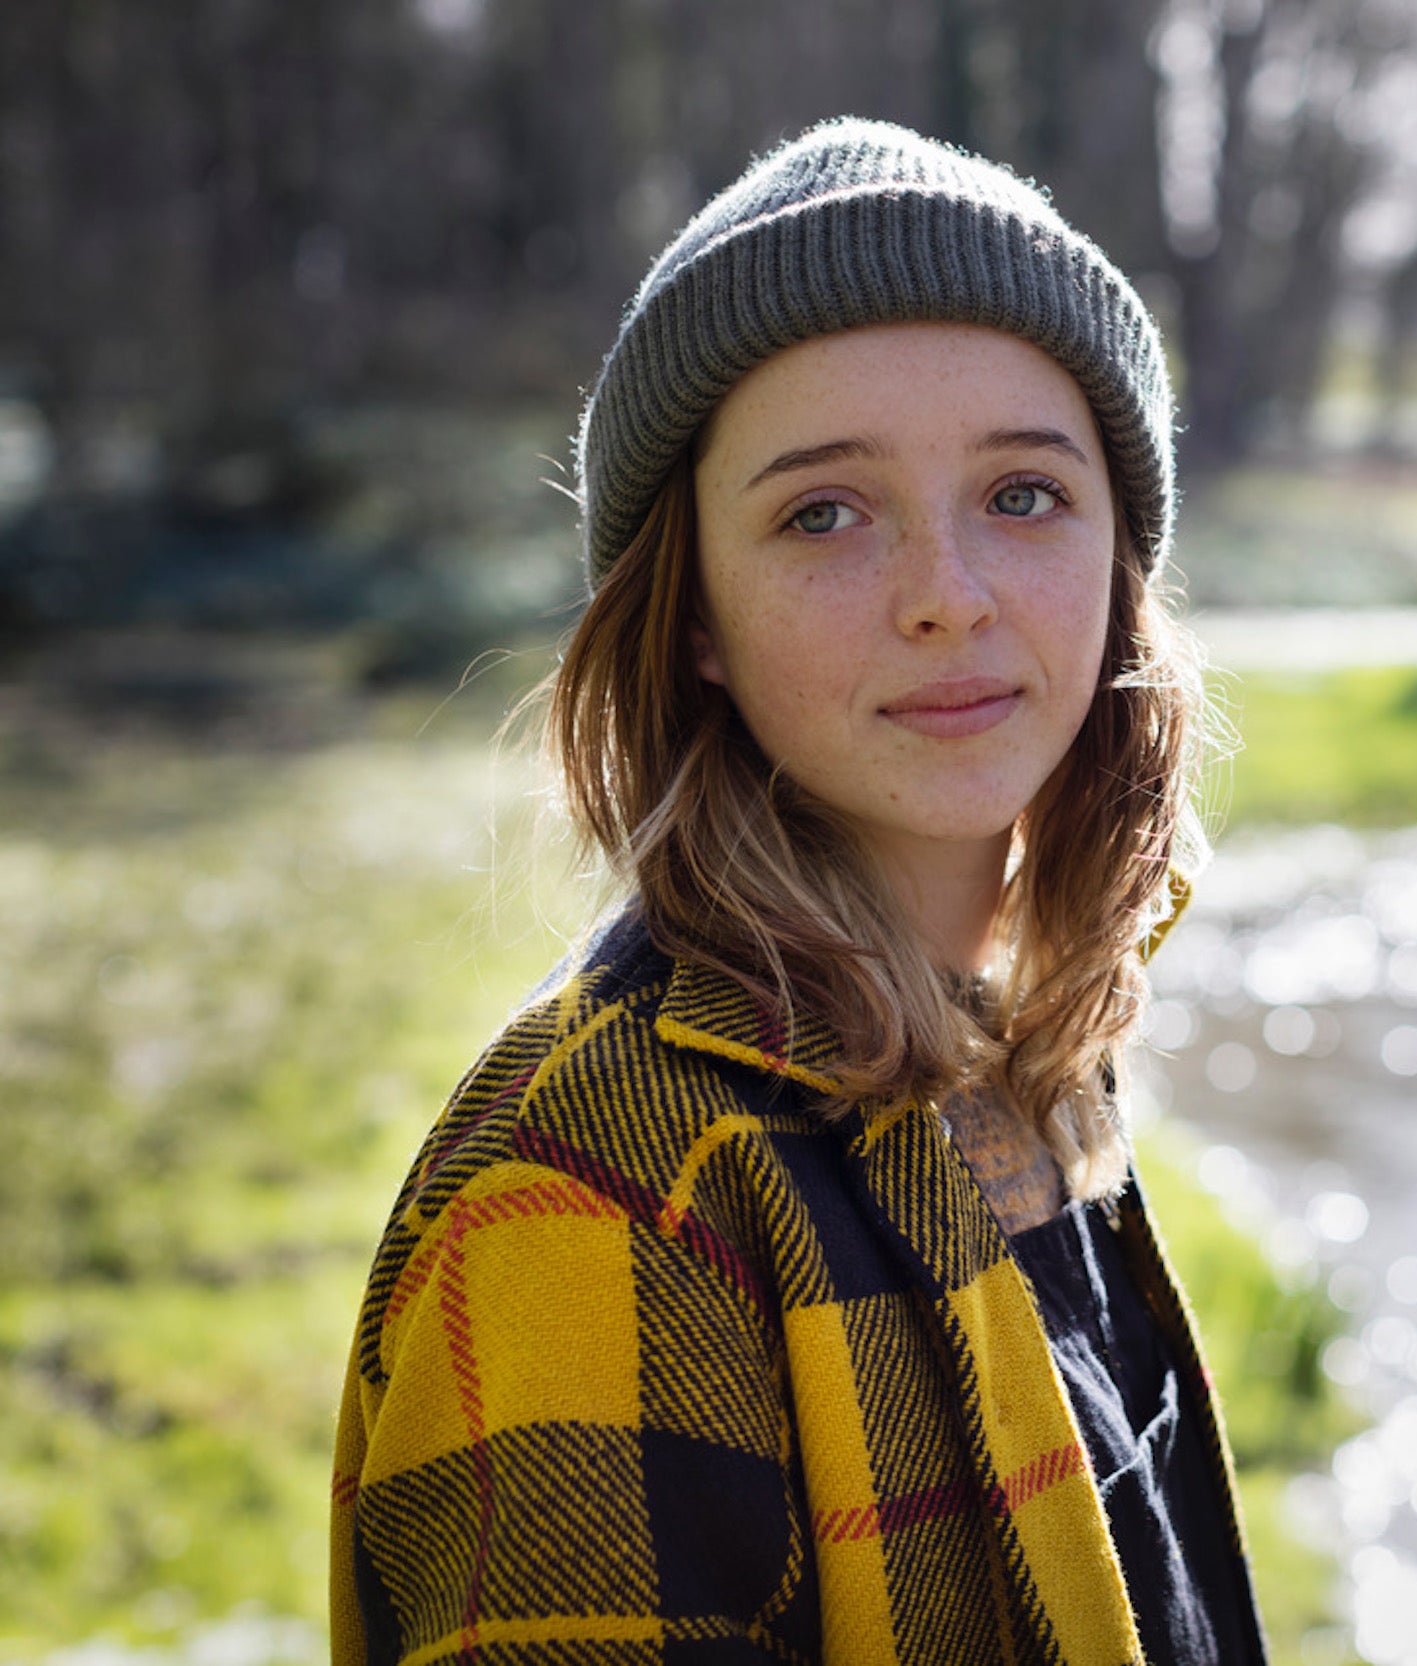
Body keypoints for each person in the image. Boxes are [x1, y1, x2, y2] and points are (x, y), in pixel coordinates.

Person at [328, 118, 1264, 1665]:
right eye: (823, 512)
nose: (945, 593)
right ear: (692, 612)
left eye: (1024, 494)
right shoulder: (588, 1208)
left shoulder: (1025, 1058)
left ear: (1118, 557)